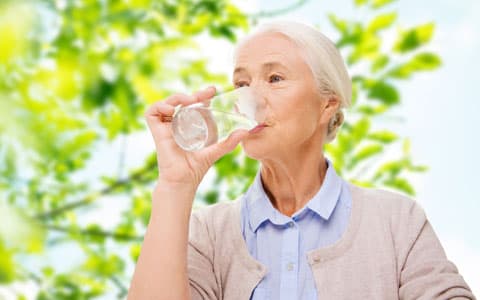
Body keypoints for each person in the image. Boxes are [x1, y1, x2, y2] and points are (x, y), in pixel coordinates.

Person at [128, 21, 475, 300]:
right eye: (242, 83)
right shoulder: (208, 232)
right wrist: (175, 186)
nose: (250, 99)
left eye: (275, 78)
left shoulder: (397, 221)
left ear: (327, 104)